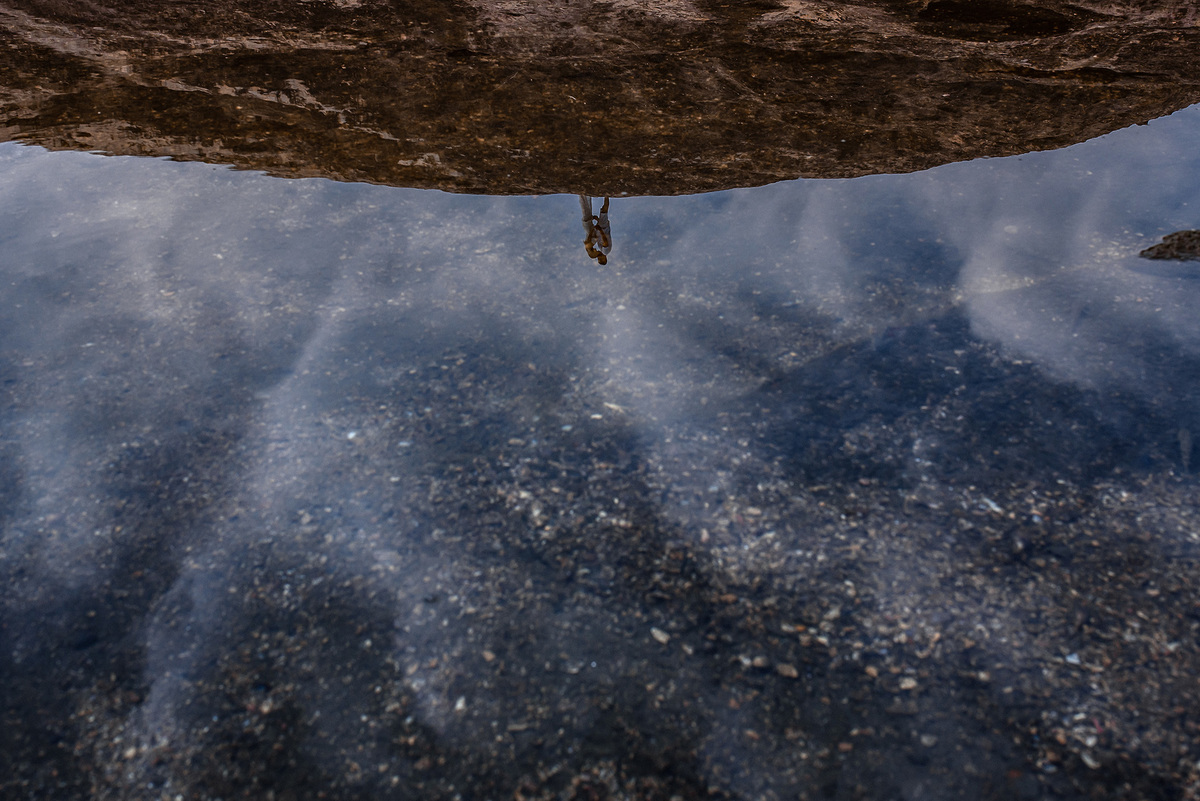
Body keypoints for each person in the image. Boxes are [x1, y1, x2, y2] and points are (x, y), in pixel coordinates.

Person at [579, 195, 612, 265]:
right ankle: (607, 195)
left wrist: (597, 221)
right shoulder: (605, 252)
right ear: (604, 259)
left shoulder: (601, 250)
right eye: (600, 259)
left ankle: (606, 196)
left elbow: (600, 239)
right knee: (604, 210)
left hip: (601, 228)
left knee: (603, 210)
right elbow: (605, 241)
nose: (598, 258)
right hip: (603, 228)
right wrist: (600, 229)